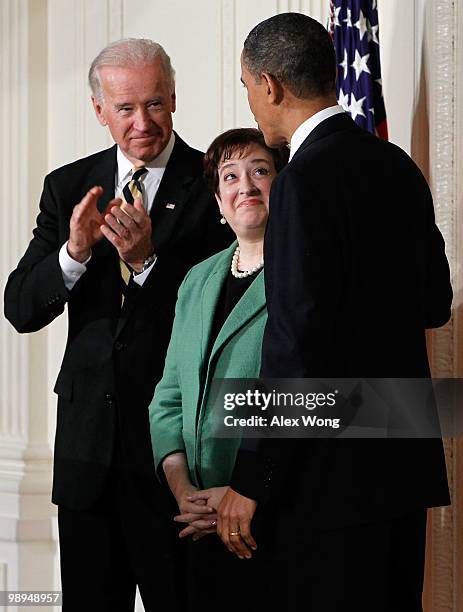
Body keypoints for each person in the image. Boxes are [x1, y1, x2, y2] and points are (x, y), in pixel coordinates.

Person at [215, 13, 453, 611]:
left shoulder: (302, 179)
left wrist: (252, 477)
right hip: (400, 461)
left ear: (270, 85)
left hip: (329, 480)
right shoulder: (397, 165)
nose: (252, 105)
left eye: (248, 89)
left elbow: (296, 339)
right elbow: (434, 303)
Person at [3, 38, 232, 612]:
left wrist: (148, 264)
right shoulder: (69, 186)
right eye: (125, 109)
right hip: (88, 454)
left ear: (174, 99)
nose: (142, 123)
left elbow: (225, 310)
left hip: (175, 450)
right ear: (99, 110)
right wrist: (74, 252)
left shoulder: (214, 183)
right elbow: (22, 309)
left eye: (154, 104)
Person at [149, 128, 288, 611]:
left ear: (283, 184)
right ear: (218, 200)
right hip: (197, 520)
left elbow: (311, 399)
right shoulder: (196, 279)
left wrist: (244, 489)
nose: (245, 186)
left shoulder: (302, 276)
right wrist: (184, 490)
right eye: (230, 176)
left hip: (269, 513)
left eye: (260, 171)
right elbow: (168, 395)